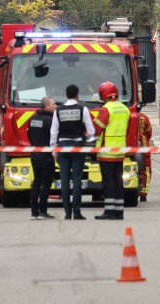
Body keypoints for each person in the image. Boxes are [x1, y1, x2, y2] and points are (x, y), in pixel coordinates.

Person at [50, 84, 94, 220]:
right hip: (77, 146)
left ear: (66, 94)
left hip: (62, 146)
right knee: (77, 179)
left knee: (64, 180)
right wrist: (83, 138)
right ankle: (77, 212)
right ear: (78, 94)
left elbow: (54, 132)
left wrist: (54, 150)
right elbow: (91, 131)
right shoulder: (83, 109)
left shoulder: (59, 110)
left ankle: (67, 213)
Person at [92, 81, 130, 220]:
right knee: (118, 181)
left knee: (108, 182)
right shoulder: (125, 109)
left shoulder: (105, 109)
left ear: (103, 95)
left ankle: (109, 211)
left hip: (106, 151)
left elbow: (96, 130)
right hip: (120, 151)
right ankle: (119, 211)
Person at [28, 96, 57, 220]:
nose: (56, 106)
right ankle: (43, 211)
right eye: (53, 104)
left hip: (35, 155)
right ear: (46, 106)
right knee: (46, 184)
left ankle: (34, 212)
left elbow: (29, 135)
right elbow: (54, 138)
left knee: (36, 183)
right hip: (46, 156)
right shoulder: (50, 120)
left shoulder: (33, 119)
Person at [137, 107, 153, 202]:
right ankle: (143, 194)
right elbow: (149, 132)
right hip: (144, 148)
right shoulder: (144, 118)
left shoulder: (126, 116)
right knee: (145, 171)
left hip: (129, 149)